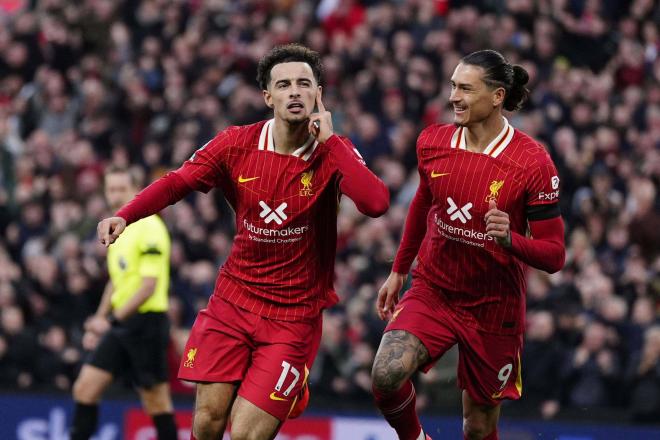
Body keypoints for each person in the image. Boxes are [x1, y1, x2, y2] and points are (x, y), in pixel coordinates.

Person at [96, 43, 389, 440]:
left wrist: (333, 143)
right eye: (284, 85)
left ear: (319, 93)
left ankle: (291, 377)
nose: (295, 92)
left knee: (247, 435)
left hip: (293, 316)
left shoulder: (334, 152)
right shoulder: (237, 144)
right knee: (207, 422)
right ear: (268, 96)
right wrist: (125, 214)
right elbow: (178, 181)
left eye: (305, 84)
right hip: (234, 302)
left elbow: (375, 203)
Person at [371, 49, 566, 440]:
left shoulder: (532, 163)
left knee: (477, 427)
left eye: (465, 88)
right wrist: (398, 270)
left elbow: (555, 255)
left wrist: (511, 239)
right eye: (452, 86)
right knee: (386, 374)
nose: (453, 97)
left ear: (496, 96)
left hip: (494, 307)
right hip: (435, 289)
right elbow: (422, 204)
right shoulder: (433, 141)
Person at [70, 166, 177, 440]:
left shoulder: (151, 227)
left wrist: (110, 321)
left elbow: (148, 286)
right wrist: (98, 319)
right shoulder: (117, 228)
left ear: (136, 191)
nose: (115, 195)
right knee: (85, 388)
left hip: (146, 323)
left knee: (156, 402)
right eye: (110, 189)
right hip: (120, 324)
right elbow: (116, 281)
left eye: (121, 189)